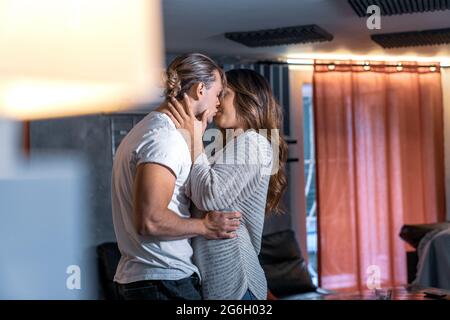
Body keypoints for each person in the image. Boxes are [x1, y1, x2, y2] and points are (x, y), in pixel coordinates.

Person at [111, 53, 242, 300]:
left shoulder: (152, 130)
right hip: (162, 282)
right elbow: (150, 220)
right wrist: (205, 226)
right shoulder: (165, 138)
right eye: (218, 94)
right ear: (200, 89)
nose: (219, 103)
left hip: (153, 280)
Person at [164, 69, 288, 300]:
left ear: (247, 99)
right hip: (218, 281)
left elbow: (208, 196)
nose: (217, 102)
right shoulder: (226, 146)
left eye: (225, 94)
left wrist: (193, 139)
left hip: (236, 282)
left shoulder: (254, 142)